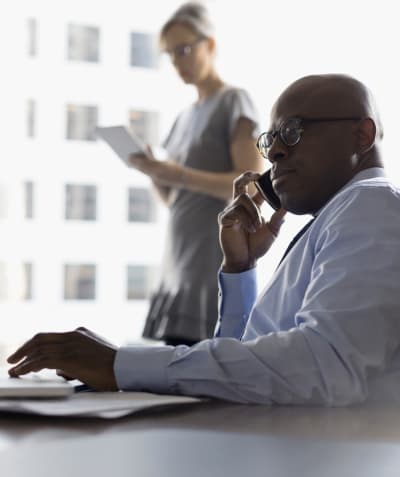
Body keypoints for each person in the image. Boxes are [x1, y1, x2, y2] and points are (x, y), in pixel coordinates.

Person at [8, 74, 400, 406]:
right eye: (272, 139)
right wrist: (240, 270)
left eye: (293, 132)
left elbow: (326, 367)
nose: (276, 152)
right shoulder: (339, 218)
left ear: (361, 135)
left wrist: (120, 364)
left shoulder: (370, 206)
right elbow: (243, 377)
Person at [128, 2, 263, 346]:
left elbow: (250, 187)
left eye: (184, 49)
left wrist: (177, 173)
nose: (177, 61)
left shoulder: (234, 100)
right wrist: (154, 172)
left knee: (203, 362)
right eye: (171, 54)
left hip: (209, 255)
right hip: (178, 258)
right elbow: (173, 200)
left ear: (211, 45)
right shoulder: (184, 116)